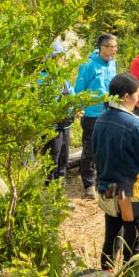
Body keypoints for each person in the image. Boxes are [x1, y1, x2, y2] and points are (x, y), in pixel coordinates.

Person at [91, 73, 139, 273]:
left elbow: (95, 153)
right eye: (137, 94)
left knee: (112, 231)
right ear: (126, 96)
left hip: (110, 186)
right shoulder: (134, 124)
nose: (138, 99)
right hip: (133, 190)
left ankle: (106, 276)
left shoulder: (101, 119)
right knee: (134, 238)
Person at [73, 33, 118, 198]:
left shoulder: (112, 63)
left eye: (116, 46)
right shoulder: (88, 65)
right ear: (103, 48)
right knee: (90, 149)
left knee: (106, 148)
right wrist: (78, 108)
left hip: (109, 112)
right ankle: (89, 183)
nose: (115, 49)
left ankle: (103, 180)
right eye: (113, 46)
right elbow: (79, 90)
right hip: (92, 114)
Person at [44, 39, 77, 184]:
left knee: (64, 157)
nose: (62, 60)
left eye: (62, 56)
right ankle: (49, 188)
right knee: (52, 158)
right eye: (58, 57)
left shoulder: (63, 76)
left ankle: (59, 186)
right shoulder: (43, 78)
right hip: (52, 127)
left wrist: (76, 108)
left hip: (66, 123)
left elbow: (72, 93)